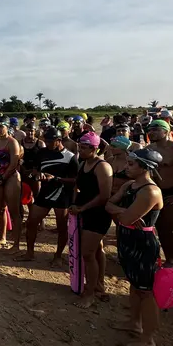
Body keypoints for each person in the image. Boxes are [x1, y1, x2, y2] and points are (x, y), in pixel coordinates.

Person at [106, 148, 165, 346]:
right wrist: (123, 210)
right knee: (134, 284)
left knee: (146, 291)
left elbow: (123, 218)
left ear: (145, 167)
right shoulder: (130, 185)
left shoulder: (150, 191)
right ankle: (134, 322)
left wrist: (122, 212)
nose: (125, 167)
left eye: (131, 164)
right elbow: (109, 205)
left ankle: (148, 339)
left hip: (143, 243)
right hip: (127, 238)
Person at [17, 127, 78, 265]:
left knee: (62, 227)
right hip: (44, 193)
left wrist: (56, 179)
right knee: (31, 222)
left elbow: (75, 180)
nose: (48, 144)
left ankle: (58, 256)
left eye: (51, 141)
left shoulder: (70, 157)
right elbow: (34, 172)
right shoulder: (42, 153)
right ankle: (29, 253)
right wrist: (36, 175)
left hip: (62, 195)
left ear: (59, 141)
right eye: (47, 141)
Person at [70, 132, 114, 308]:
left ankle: (90, 294)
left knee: (87, 253)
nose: (79, 150)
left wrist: (83, 207)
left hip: (98, 213)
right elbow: (77, 186)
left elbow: (104, 196)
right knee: (96, 250)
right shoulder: (83, 163)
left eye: (83, 147)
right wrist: (74, 204)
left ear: (94, 149)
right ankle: (98, 285)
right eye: (79, 147)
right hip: (84, 210)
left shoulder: (103, 167)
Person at [146, 119, 173, 268]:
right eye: (150, 129)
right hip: (157, 193)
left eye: (156, 129)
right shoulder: (149, 149)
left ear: (166, 131)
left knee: (172, 232)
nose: (152, 132)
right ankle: (169, 259)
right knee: (162, 231)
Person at [0, 120, 22, 249]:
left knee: (14, 211)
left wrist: (3, 177)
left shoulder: (12, 142)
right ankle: (2, 237)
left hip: (11, 178)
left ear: (7, 128)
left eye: (1, 126)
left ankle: (16, 243)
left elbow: (14, 162)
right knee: (1, 209)